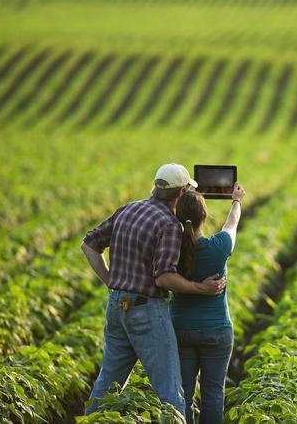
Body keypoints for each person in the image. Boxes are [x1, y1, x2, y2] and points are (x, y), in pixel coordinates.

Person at [80, 163, 226, 416]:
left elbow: (89, 246)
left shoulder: (128, 209)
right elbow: (164, 278)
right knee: (170, 389)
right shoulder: (169, 224)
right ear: (180, 194)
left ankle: (90, 420)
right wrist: (199, 288)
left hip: (117, 306)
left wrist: (111, 281)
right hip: (146, 310)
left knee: (108, 383)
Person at [170, 182, 245, 424]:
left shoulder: (171, 250)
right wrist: (236, 201)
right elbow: (231, 224)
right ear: (204, 216)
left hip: (181, 329)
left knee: (184, 393)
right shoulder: (218, 247)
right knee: (213, 393)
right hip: (216, 330)